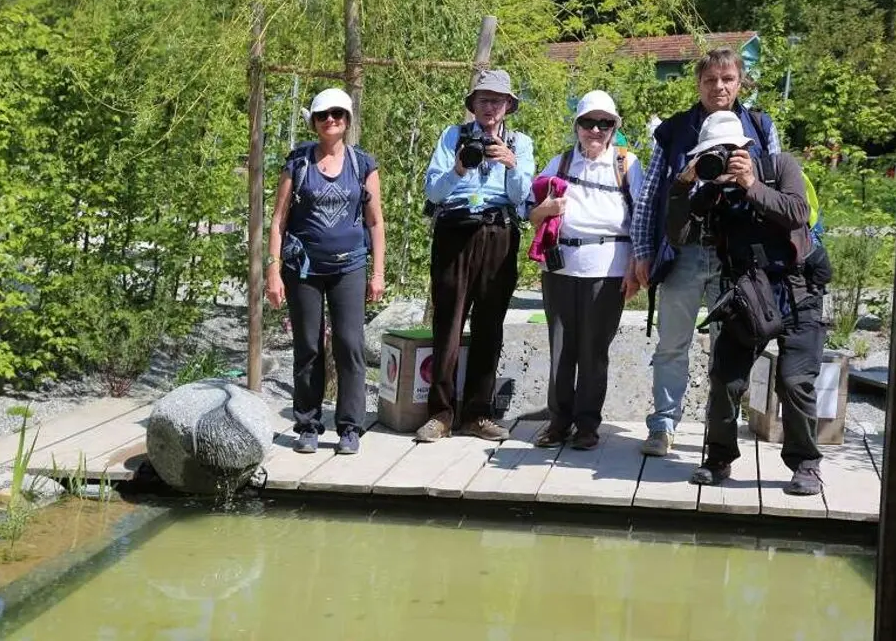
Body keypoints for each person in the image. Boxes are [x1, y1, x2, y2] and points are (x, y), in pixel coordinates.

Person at [631, 48, 782, 457]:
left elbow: (777, 188)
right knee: (671, 344)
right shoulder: (675, 130)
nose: (719, 87)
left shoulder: (760, 126)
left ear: (740, 82)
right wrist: (643, 250)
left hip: (735, 254)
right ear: (698, 84)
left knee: (727, 350)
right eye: (710, 79)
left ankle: (719, 435)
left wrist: (747, 177)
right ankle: (663, 425)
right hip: (683, 251)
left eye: (727, 79)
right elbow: (650, 195)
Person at [665, 111, 826, 494]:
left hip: (797, 291)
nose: (722, 157)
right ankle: (718, 458)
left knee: (794, 381)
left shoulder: (779, 167)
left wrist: (750, 183)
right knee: (725, 379)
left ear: (746, 147)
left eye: (729, 150)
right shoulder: (713, 191)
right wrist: (682, 187)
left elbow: (797, 213)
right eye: (713, 152)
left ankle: (806, 464)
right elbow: (678, 235)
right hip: (747, 295)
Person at [415, 69, 536, 443]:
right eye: (483, 100)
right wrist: (459, 167)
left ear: (508, 106)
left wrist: (511, 164)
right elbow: (433, 192)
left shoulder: (520, 143)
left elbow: (522, 197)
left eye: (497, 101)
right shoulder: (452, 137)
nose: (490, 107)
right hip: (455, 231)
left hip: (499, 232)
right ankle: (440, 414)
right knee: (448, 323)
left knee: (490, 324)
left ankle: (478, 414)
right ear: (473, 104)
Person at [264, 88, 386, 455]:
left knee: (349, 345)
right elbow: (278, 221)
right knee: (308, 346)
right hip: (303, 268)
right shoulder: (298, 163)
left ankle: (349, 427)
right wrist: (272, 270)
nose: (330, 120)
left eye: (337, 114)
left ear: (347, 119)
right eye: (322, 115)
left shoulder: (362, 164)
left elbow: (376, 222)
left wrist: (378, 272)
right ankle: (308, 424)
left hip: (350, 266)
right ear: (314, 122)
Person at [527, 91, 643, 449]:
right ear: (577, 125)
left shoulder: (628, 164)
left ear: (613, 128)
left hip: (609, 268)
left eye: (604, 123)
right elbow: (531, 214)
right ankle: (558, 422)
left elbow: (642, 220)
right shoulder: (560, 162)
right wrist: (547, 210)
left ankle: (588, 424)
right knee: (561, 348)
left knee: (594, 350)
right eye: (589, 122)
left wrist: (635, 268)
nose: (595, 130)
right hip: (560, 266)